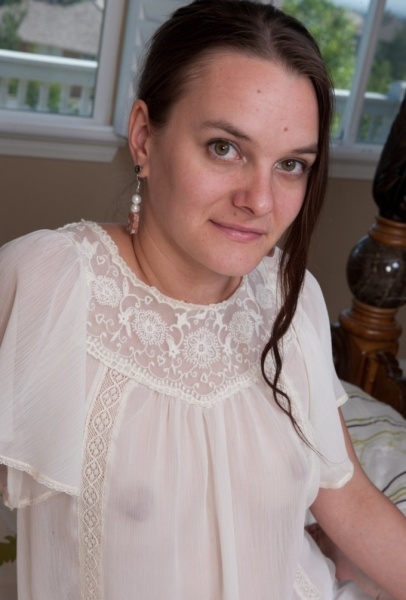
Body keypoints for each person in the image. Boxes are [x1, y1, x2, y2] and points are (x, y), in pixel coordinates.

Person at [0, 1, 405, 598]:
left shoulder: (291, 295)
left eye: (291, 164)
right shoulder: (47, 282)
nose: (259, 200)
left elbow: (345, 496)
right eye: (224, 148)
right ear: (144, 137)